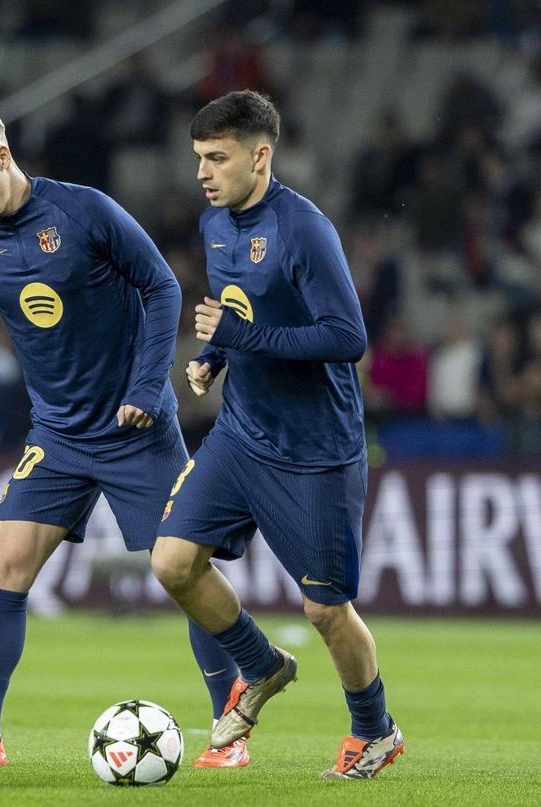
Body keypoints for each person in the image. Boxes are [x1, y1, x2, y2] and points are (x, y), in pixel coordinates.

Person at [0, 102, 245, 768]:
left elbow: (162, 288)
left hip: (134, 430)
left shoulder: (83, 212)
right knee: (5, 563)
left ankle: (230, 724)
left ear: (3, 156)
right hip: (57, 434)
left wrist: (148, 388)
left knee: (182, 573)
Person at [152, 90, 404, 780]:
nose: (203, 172)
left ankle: (373, 729)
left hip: (316, 449)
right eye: (199, 158)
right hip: (242, 433)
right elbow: (245, 312)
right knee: (173, 561)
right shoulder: (215, 225)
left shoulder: (303, 229)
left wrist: (239, 335)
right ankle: (261, 664)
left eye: (217, 157)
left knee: (325, 608)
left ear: (261, 156)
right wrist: (216, 357)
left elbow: (347, 337)